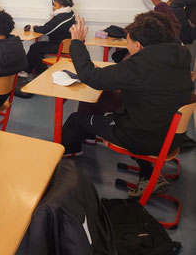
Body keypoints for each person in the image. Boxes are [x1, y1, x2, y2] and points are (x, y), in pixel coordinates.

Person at [61, 14, 193, 197]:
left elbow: (89, 76)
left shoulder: (141, 64)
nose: (126, 46)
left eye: (128, 42)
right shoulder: (180, 54)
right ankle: (147, 174)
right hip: (170, 134)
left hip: (146, 139)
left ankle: (60, 158)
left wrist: (77, 42)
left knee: (75, 120)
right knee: (105, 100)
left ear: (138, 45)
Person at [23, 0, 75, 76]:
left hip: (60, 45)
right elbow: (59, 1)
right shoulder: (69, 12)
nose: (53, 7)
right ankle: (27, 71)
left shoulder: (61, 18)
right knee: (37, 47)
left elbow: (47, 30)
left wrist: (35, 28)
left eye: (55, 6)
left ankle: (41, 74)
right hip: (66, 43)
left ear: (62, 7)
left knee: (35, 48)